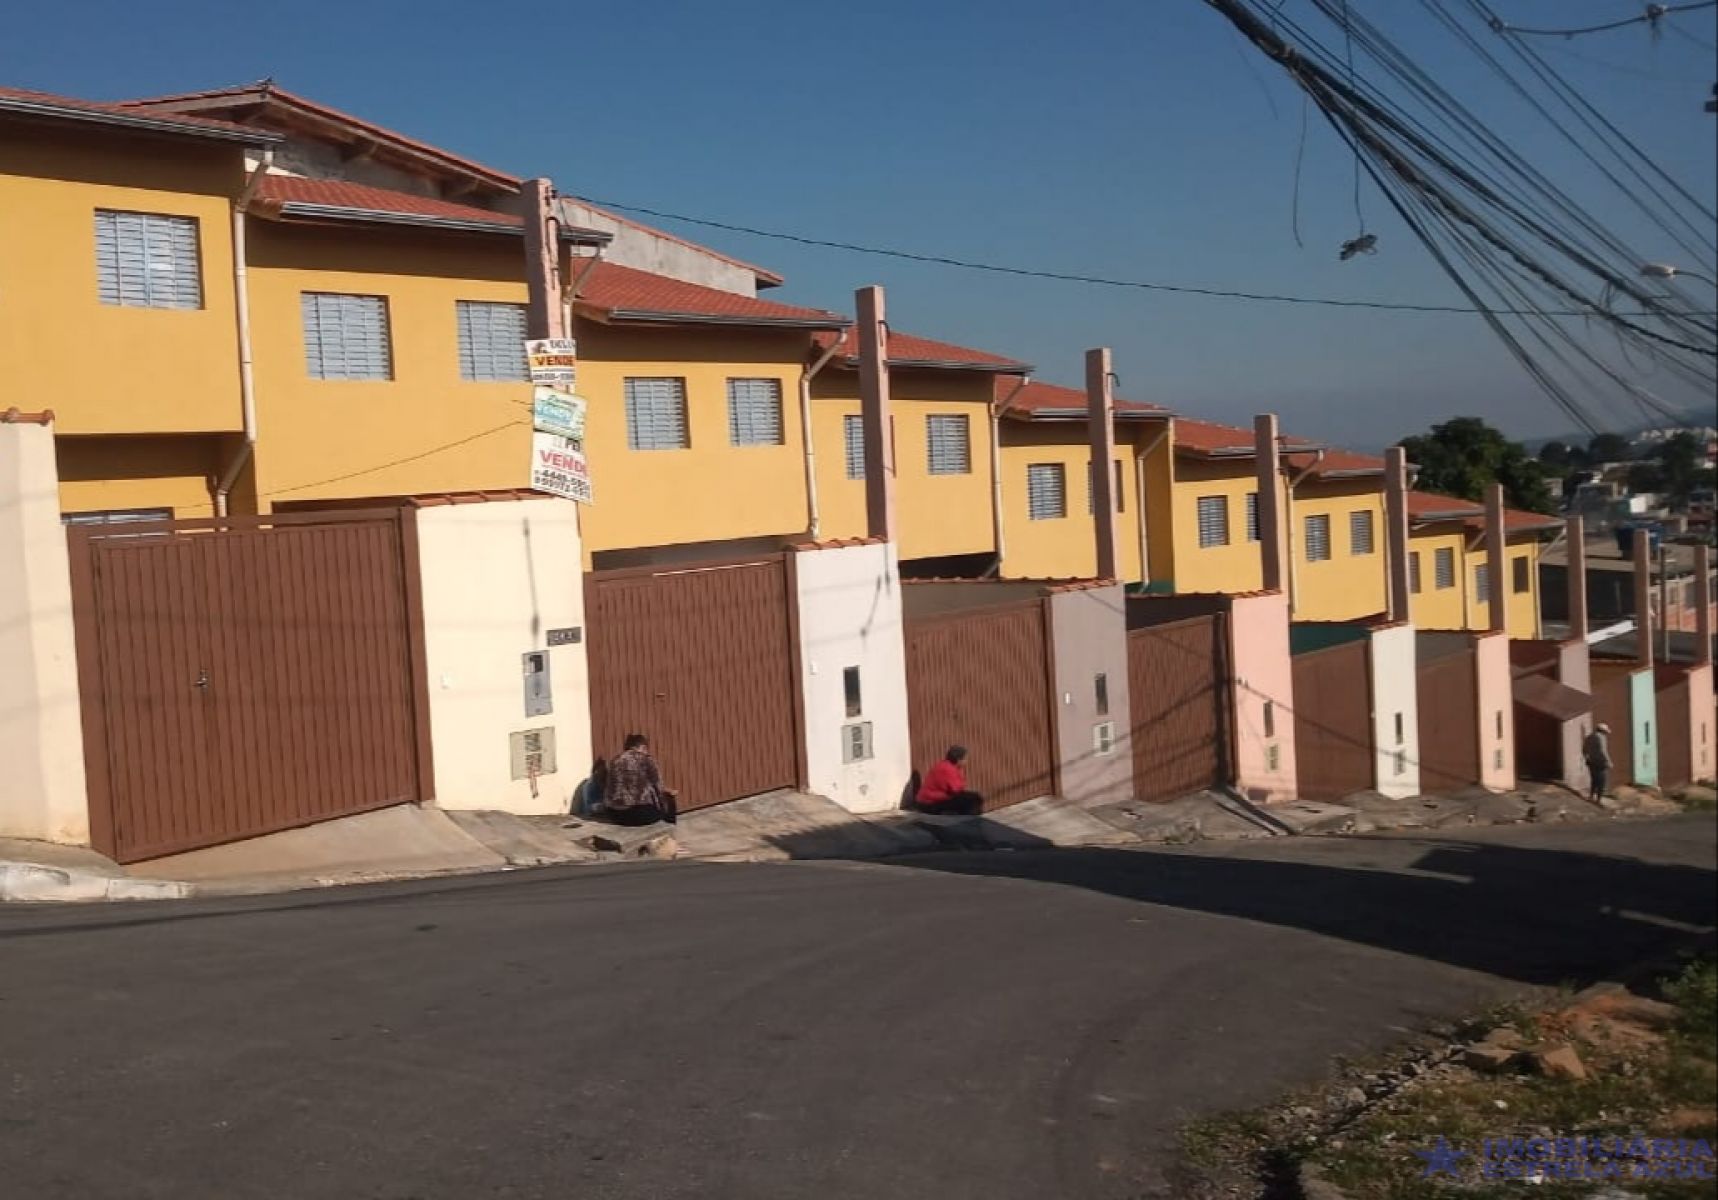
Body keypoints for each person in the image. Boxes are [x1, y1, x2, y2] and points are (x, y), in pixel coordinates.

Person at [604, 733, 678, 826]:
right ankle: (670, 828)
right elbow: (659, 787)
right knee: (670, 798)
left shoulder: (614, 761)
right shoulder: (646, 760)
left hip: (615, 815)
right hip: (639, 815)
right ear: (643, 747)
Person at [914, 745, 984, 816]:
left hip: (933, 800)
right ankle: (969, 820)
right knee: (973, 799)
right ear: (959, 760)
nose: (966, 761)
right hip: (929, 803)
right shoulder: (947, 769)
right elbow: (956, 789)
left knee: (971, 797)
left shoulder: (948, 766)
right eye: (965, 759)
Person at [1583, 722, 1612, 801]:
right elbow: (1603, 751)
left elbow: (1584, 749)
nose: (1606, 734)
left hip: (1592, 761)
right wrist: (1608, 761)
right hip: (1600, 762)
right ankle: (1599, 799)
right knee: (1602, 781)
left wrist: (1587, 758)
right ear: (1602, 731)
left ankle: (1591, 796)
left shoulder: (1589, 737)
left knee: (1594, 780)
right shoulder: (1601, 737)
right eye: (1605, 732)